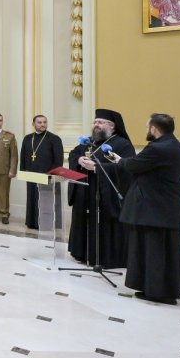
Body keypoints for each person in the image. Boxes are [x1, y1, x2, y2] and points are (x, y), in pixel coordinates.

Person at [106, 113, 180, 304]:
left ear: (154, 129)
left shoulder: (157, 148)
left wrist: (118, 160)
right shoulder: (177, 146)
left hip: (154, 209)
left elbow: (134, 165)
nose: (146, 131)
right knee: (168, 252)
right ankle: (165, 289)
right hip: (168, 207)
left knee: (154, 252)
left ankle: (157, 291)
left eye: (147, 127)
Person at [68, 109, 137, 268]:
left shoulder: (123, 144)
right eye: (95, 122)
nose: (96, 125)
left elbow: (126, 168)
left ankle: (104, 257)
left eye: (100, 122)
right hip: (85, 191)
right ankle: (82, 252)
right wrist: (79, 159)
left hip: (105, 195)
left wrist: (97, 168)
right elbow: (73, 154)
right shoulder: (89, 141)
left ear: (112, 126)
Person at [19, 115, 64, 229]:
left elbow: (58, 160)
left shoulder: (54, 139)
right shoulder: (28, 138)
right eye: (39, 122)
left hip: (47, 175)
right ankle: (32, 222)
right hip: (31, 175)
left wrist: (52, 175)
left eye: (44, 122)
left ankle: (47, 224)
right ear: (33, 124)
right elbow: (23, 156)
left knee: (46, 201)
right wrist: (23, 172)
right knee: (32, 198)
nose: (42, 124)